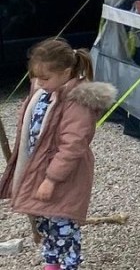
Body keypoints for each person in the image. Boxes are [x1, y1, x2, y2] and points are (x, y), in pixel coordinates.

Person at [0, 37, 117, 270]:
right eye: (35, 77)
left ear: (66, 72)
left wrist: (52, 180)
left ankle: (70, 265)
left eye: (45, 78)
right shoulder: (43, 92)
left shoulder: (78, 102)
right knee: (45, 220)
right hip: (39, 169)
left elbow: (72, 145)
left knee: (63, 224)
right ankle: (51, 263)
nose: (39, 82)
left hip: (63, 175)